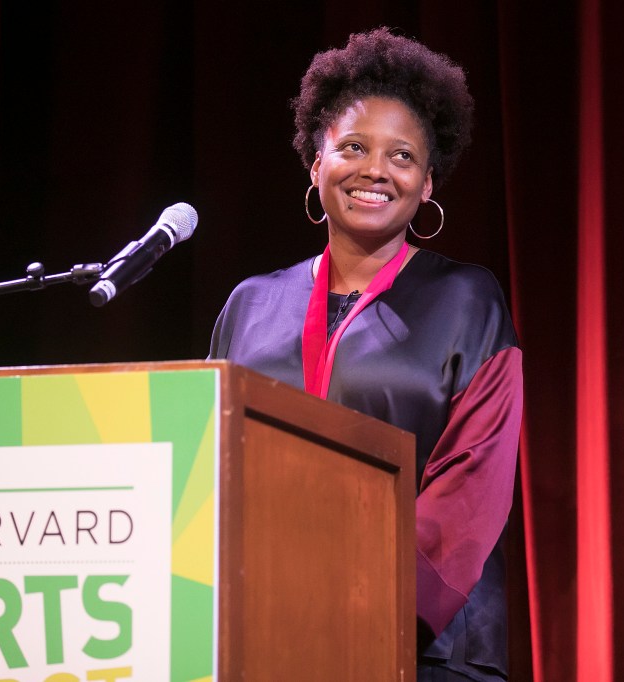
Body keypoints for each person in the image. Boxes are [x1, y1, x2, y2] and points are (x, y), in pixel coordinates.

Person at [208, 28, 523, 681]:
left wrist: (359, 596)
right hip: (267, 627)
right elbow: (211, 465)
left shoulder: (466, 300)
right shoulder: (251, 305)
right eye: (352, 147)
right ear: (315, 163)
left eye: (402, 155)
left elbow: (472, 487)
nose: (375, 169)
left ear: (428, 182)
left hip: (422, 643)